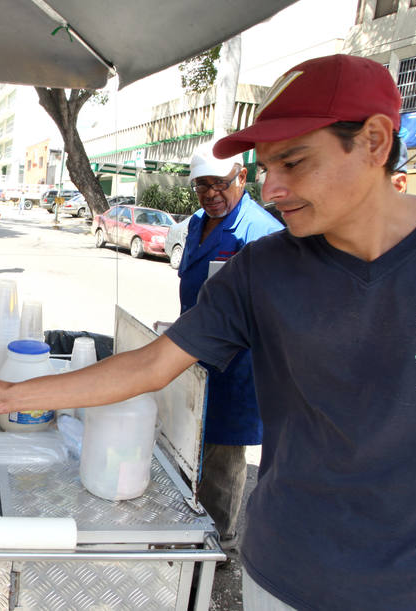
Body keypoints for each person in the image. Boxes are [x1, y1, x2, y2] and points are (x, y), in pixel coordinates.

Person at [0, 54, 416, 610]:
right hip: (286, 576)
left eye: (294, 162)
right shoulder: (263, 271)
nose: (275, 188)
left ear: (376, 141)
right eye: (266, 168)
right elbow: (149, 366)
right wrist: (10, 393)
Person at [179, 144, 282, 551]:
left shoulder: (260, 232)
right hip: (192, 353)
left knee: (221, 458)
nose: (210, 194)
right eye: (202, 186)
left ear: (242, 177)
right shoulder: (196, 224)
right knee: (188, 448)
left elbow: (270, 310)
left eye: (219, 184)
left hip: (236, 368)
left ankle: (219, 543)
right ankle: (187, 527)